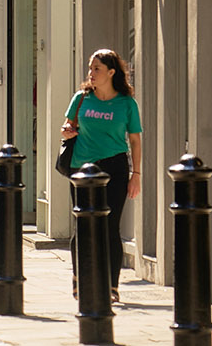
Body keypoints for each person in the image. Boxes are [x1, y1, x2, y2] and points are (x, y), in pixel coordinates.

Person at [62, 48, 143, 305]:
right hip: (82, 169)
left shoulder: (127, 103)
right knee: (82, 225)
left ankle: (112, 285)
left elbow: (135, 140)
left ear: (111, 72)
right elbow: (68, 127)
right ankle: (79, 279)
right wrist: (66, 132)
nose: (91, 73)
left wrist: (136, 174)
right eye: (90, 68)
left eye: (97, 68)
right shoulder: (82, 98)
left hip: (115, 168)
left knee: (110, 227)